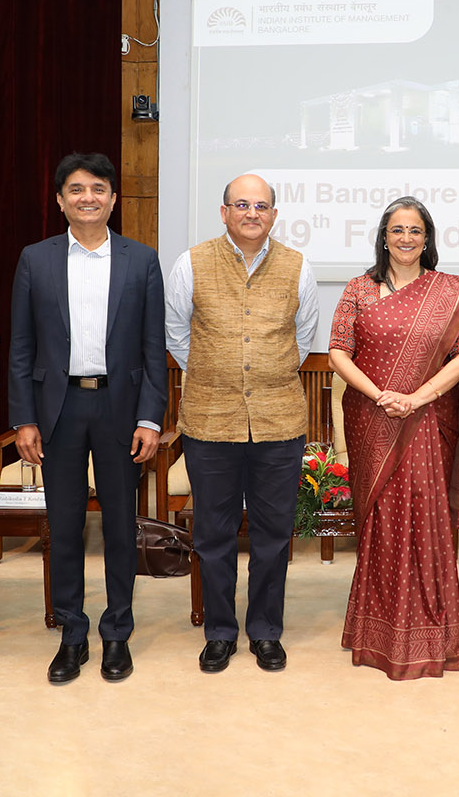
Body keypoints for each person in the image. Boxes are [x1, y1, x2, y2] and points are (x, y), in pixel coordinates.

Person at [9, 153, 167, 684]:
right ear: (59, 200)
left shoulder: (142, 261)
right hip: (59, 409)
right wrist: (23, 419)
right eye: (75, 190)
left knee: (121, 524)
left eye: (98, 188)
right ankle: (72, 634)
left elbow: (152, 347)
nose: (87, 198)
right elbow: (22, 346)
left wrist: (150, 417)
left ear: (113, 198)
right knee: (66, 524)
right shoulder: (36, 259)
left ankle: (117, 632)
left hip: (120, 408)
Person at [165, 173, 318, 673]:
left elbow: (303, 336)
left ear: (274, 214)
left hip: (278, 422)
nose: (252, 213)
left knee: (274, 533)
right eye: (241, 205)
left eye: (261, 206)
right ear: (224, 211)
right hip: (210, 420)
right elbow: (176, 335)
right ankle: (220, 632)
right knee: (213, 533)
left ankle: (266, 631)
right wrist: (219, 371)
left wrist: (264, 372)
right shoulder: (190, 263)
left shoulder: (299, 268)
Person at [328, 196, 459, 680]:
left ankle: (430, 631)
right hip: (375, 418)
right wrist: (381, 395)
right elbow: (337, 351)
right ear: (384, 236)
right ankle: (377, 630)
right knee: (382, 521)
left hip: (424, 422)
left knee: (425, 519)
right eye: (398, 230)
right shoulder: (358, 289)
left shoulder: (449, 291)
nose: (407, 239)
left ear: (428, 239)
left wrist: (416, 397)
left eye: (416, 231)